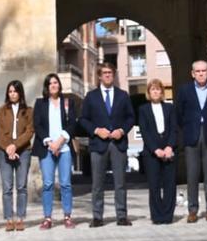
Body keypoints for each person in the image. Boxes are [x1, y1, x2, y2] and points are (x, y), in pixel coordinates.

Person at [79, 63, 135, 227]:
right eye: (104, 73)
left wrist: (122, 130)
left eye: (110, 73)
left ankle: (122, 216)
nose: (108, 75)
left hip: (118, 143)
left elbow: (131, 118)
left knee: (120, 182)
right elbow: (83, 119)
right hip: (98, 144)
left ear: (114, 74)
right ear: (99, 76)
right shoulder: (91, 96)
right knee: (97, 183)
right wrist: (96, 130)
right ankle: (97, 217)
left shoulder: (123, 95)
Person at [174, 60, 207, 223]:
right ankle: (192, 210)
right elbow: (178, 114)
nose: (201, 73)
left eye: (204, 71)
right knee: (192, 174)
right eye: (198, 71)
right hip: (191, 136)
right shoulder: (184, 91)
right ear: (192, 74)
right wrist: (187, 129)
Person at [34, 73, 77, 229]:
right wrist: (49, 142)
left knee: (65, 184)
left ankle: (67, 216)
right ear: (47, 86)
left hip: (64, 148)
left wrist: (60, 141)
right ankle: (47, 218)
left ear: (59, 85)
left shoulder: (67, 102)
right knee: (48, 184)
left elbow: (72, 124)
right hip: (47, 148)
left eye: (55, 82)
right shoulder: (40, 103)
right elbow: (37, 125)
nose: (53, 85)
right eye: (50, 83)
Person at [138, 79, 178, 224]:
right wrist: (155, 149)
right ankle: (157, 216)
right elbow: (144, 131)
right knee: (154, 185)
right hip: (151, 152)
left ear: (162, 91)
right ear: (148, 92)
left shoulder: (170, 108)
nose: (155, 92)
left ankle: (167, 216)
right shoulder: (143, 109)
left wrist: (169, 147)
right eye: (152, 89)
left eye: (158, 89)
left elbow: (174, 129)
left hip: (168, 149)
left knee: (169, 184)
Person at [0, 80, 34, 232]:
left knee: (22, 186)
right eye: (10, 91)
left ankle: (20, 218)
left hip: (23, 151)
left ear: (20, 93)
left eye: (15, 91)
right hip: (4, 152)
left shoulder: (28, 111)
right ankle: (8, 219)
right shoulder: (1, 111)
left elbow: (30, 131)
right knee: (7, 187)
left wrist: (15, 146)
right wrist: (8, 148)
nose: (12, 94)